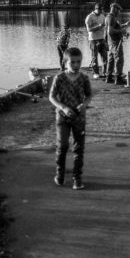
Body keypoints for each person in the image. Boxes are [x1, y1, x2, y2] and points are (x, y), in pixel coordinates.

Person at [49, 46, 92, 190]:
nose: (76, 65)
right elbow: (52, 97)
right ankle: (60, 174)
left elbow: (89, 95)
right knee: (62, 146)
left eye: (79, 62)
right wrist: (63, 107)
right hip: (62, 117)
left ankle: (77, 178)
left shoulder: (84, 78)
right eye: (72, 62)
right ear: (65, 62)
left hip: (79, 118)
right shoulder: (59, 78)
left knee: (79, 148)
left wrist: (84, 105)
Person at [105, 3, 130, 84]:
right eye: (119, 10)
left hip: (111, 42)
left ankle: (108, 78)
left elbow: (115, 27)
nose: (119, 12)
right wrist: (121, 31)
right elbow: (110, 31)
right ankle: (118, 79)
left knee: (111, 60)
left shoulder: (109, 17)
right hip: (115, 42)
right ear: (115, 9)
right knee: (119, 60)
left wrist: (125, 25)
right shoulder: (111, 18)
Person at [85, 2, 108, 80]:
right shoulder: (89, 17)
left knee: (105, 57)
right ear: (96, 9)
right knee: (95, 58)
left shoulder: (102, 16)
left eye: (102, 10)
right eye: (100, 10)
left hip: (102, 39)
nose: (102, 11)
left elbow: (106, 27)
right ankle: (96, 73)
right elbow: (89, 30)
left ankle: (105, 73)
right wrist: (99, 26)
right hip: (93, 40)